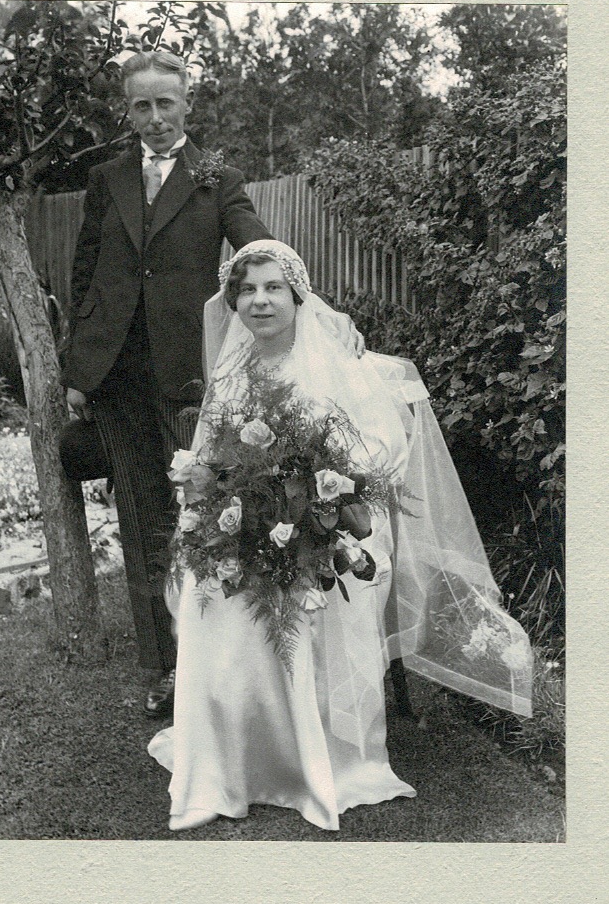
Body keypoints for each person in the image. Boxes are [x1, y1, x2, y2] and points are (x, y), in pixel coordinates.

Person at [148, 240, 533, 832]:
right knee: (209, 583)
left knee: (296, 579)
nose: (259, 301)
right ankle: (230, 755)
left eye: (273, 287)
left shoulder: (337, 362)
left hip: (330, 525)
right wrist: (214, 503)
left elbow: (381, 449)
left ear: (297, 295)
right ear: (233, 302)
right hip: (252, 524)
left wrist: (313, 497)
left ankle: (306, 753)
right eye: (246, 290)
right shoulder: (230, 370)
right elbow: (209, 456)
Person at [59, 53, 362, 716]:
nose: (155, 118)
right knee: (140, 524)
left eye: (166, 103)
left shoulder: (216, 179)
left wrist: (316, 311)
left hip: (190, 376)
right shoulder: (105, 178)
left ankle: (214, 664)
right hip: (115, 377)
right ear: (127, 110)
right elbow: (86, 276)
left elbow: (258, 250)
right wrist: (78, 371)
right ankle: (163, 670)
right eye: (141, 106)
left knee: (201, 520)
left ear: (186, 104)